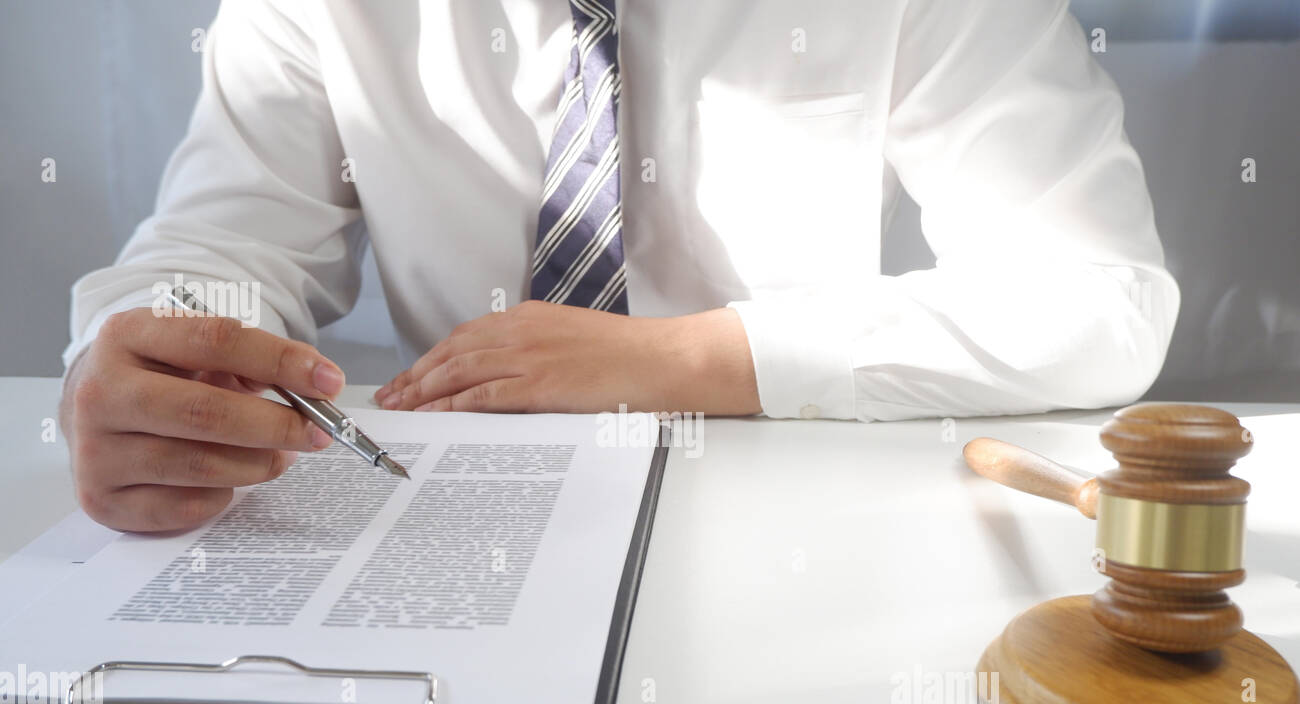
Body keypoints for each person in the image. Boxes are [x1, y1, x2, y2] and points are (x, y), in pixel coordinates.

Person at [61, 0, 1178, 532]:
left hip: (795, 527)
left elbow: (1101, 292)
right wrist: (133, 366)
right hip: (439, 525)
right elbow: (216, 248)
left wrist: (689, 357)